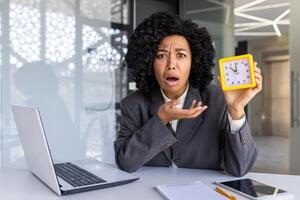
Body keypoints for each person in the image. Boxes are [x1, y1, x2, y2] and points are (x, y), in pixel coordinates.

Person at [114, 12, 262, 177]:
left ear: (194, 61)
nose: (171, 64)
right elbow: (125, 162)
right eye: (161, 55)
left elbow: (239, 169)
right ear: (149, 61)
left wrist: (236, 109)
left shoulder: (218, 100)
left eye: (181, 55)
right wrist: (160, 119)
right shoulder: (133, 104)